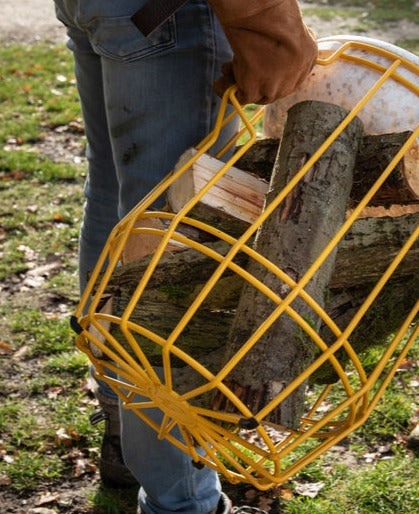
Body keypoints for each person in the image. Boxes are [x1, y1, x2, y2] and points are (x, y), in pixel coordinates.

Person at [53, 1, 317, 512]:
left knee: (119, 205)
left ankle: (121, 420)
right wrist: (262, 18)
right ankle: (182, 499)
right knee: (175, 238)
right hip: (169, 11)